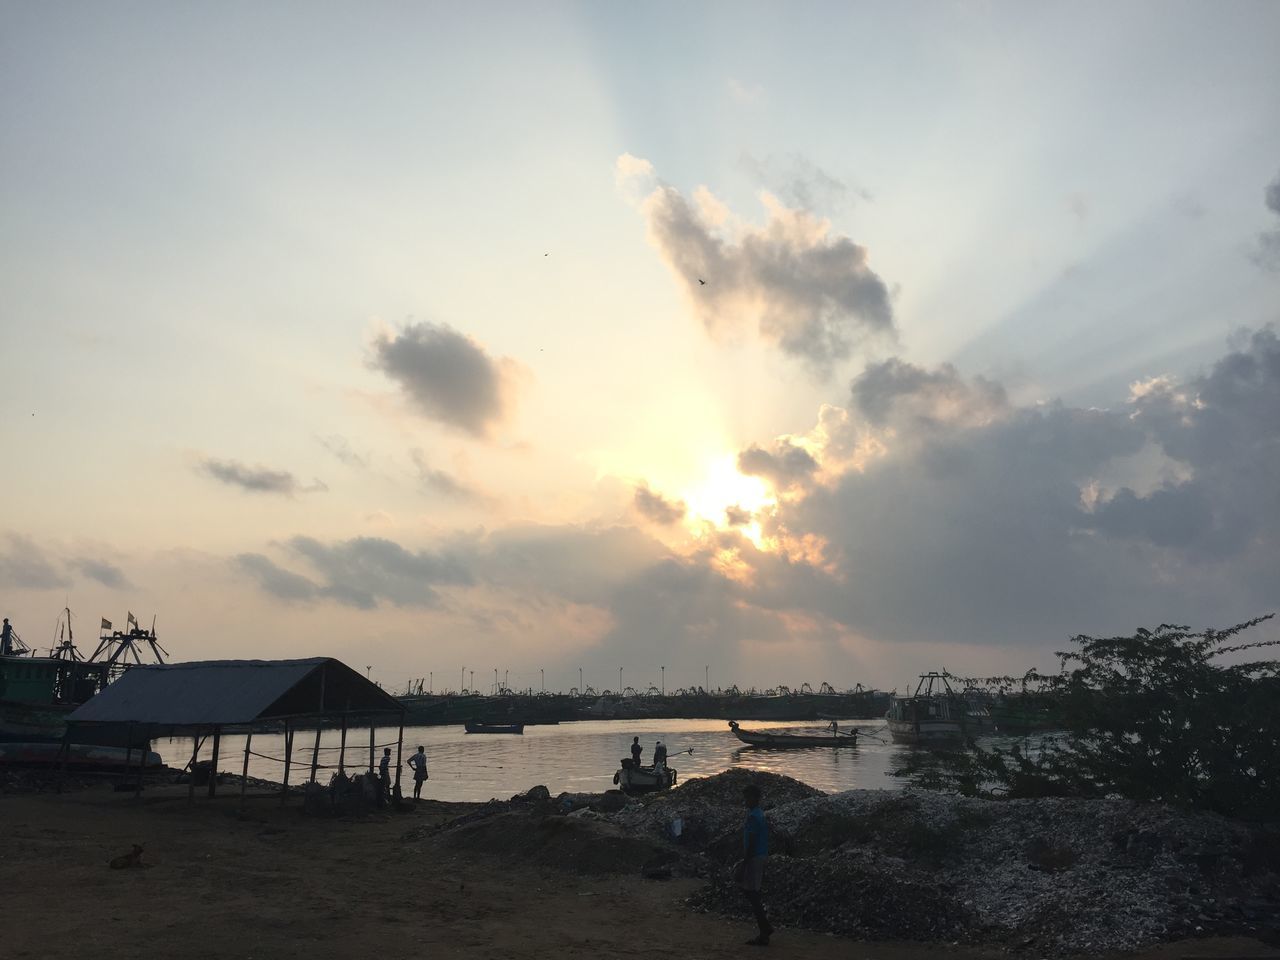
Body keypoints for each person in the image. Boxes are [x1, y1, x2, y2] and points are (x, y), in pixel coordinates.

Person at [736, 783, 774, 946]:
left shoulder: (753, 817)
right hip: (759, 856)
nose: (745, 801)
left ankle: (764, 930)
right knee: (752, 892)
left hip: (754, 858)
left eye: (747, 798)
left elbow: (751, 842)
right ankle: (765, 927)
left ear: (754, 799)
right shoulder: (758, 813)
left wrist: (744, 862)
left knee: (752, 893)